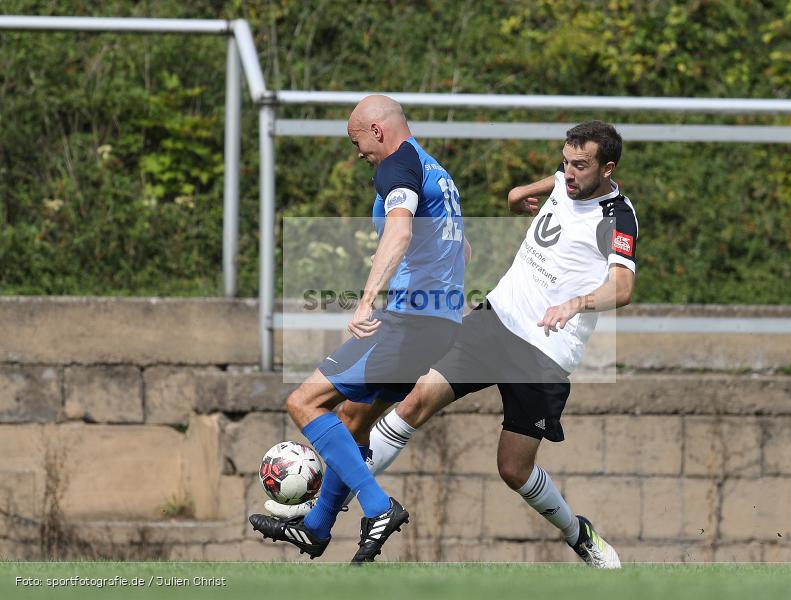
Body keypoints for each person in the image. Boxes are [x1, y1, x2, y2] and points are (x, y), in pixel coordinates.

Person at [366, 120, 636, 568]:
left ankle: (578, 534)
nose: (568, 174)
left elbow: (622, 288)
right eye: (565, 162)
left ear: (606, 169)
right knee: (415, 401)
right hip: (495, 320)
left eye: (580, 167)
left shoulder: (618, 217)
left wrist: (577, 302)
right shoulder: (561, 180)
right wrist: (516, 199)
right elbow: (518, 196)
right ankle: (333, 494)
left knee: (513, 469)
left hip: (546, 351)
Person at [249, 95, 467, 563]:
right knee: (351, 420)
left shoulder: (396, 166)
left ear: (378, 130)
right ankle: (316, 527)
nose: (358, 152)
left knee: (304, 401)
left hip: (410, 322)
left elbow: (400, 230)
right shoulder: (436, 171)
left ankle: (377, 506)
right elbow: (462, 248)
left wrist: (367, 299)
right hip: (440, 323)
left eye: (357, 141)